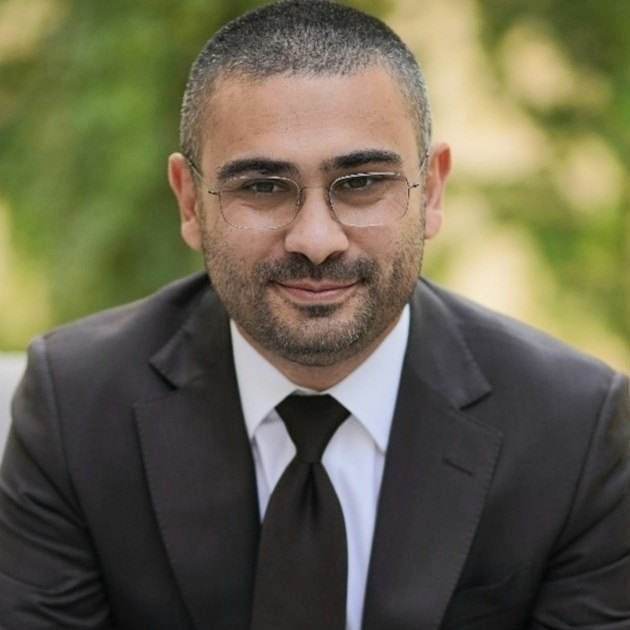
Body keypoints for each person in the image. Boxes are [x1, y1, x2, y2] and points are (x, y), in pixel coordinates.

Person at [1, 1, 629, 628]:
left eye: (362, 183)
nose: (316, 239)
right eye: (262, 187)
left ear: (432, 190)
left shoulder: (574, 430)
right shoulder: (76, 406)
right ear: (190, 201)